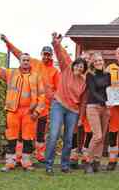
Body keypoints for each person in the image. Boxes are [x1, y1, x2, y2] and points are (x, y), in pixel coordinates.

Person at [0, 44, 46, 172]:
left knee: (28, 138)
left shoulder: (36, 76)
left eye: (28, 60)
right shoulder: (11, 73)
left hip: (29, 112)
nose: (26, 62)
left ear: (30, 62)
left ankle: (26, 163)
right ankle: (10, 163)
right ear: (20, 61)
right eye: (23, 60)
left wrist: (37, 112)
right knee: (11, 137)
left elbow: (42, 96)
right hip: (13, 111)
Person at [0, 34, 59, 163]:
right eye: (44, 54)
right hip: (29, 108)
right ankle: (20, 157)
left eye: (49, 54)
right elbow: (18, 53)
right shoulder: (34, 63)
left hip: (44, 108)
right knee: (24, 133)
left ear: (52, 56)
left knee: (40, 134)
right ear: (41, 54)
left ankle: (40, 155)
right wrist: (7, 42)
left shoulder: (55, 71)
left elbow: (57, 90)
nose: (46, 56)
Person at [44, 33, 88, 175]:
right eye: (78, 65)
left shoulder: (83, 82)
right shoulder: (66, 69)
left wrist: (81, 118)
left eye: (82, 67)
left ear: (84, 69)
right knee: (54, 134)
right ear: (74, 65)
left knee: (69, 139)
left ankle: (64, 165)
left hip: (73, 111)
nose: (79, 68)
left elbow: (82, 102)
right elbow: (60, 55)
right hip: (59, 105)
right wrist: (56, 44)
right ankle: (49, 165)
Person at [84, 53, 111, 174]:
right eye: (96, 61)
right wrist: (105, 101)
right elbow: (93, 92)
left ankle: (96, 161)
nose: (99, 62)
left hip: (105, 108)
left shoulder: (108, 75)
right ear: (92, 63)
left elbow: (109, 91)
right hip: (93, 106)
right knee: (97, 135)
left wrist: (111, 101)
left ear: (103, 61)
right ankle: (88, 162)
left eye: (100, 60)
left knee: (102, 137)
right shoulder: (90, 75)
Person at [70, 52, 93, 169]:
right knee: (73, 130)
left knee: (89, 130)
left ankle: (85, 153)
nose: (86, 61)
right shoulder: (74, 74)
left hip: (89, 106)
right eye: (84, 59)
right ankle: (73, 155)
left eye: (88, 59)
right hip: (75, 105)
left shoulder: (92, 74)